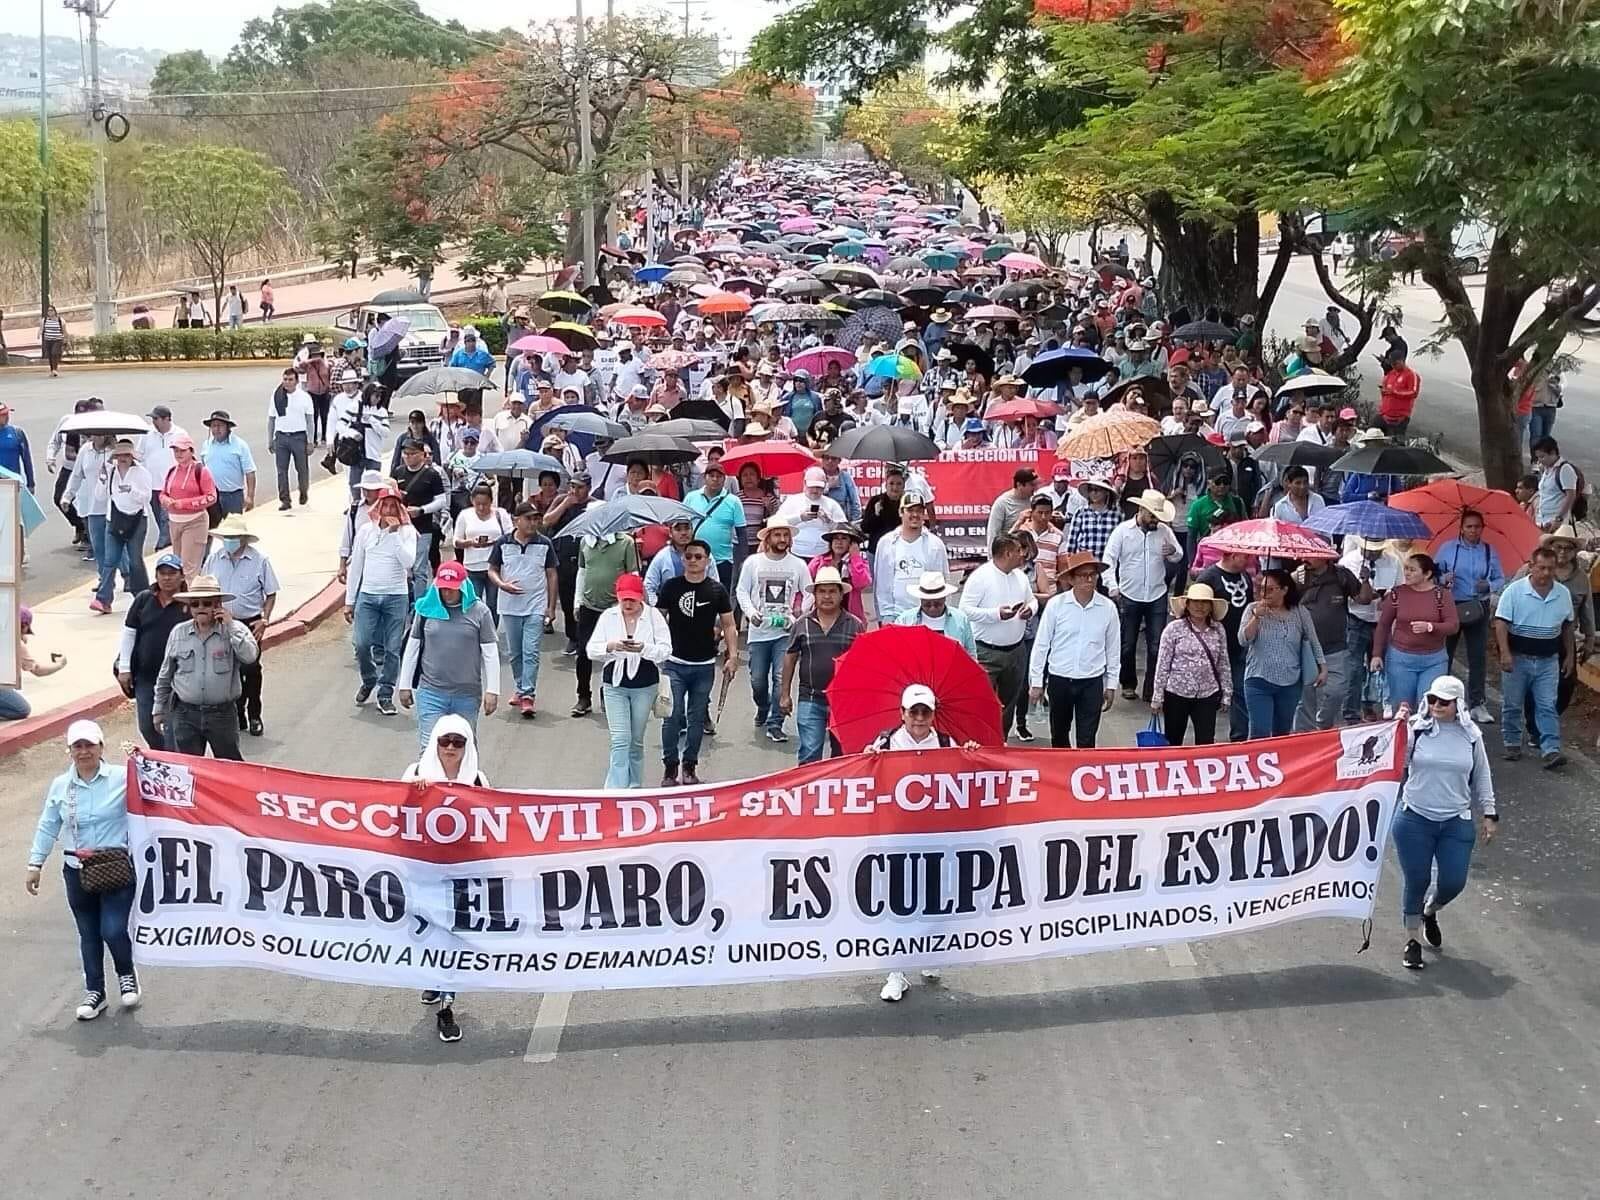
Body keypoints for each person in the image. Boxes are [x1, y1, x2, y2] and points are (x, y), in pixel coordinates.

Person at [865, 683, 982, 1003]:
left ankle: (929, 953)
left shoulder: (946, 743)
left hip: (935, 837)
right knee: (898, 905)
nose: (919, 718)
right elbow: (863, 777)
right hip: (896, 837)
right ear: (902, 713)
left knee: (934, 900)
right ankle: (896, 972)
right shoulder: (886, 742)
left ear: (933, 715)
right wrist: (869, 758)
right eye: (913, 711)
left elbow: (967, 777)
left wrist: (971, 754)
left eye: (925, 712)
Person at [26, 721, 141, 1021]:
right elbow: (48, 825)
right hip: (77, 871)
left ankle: (126, 974)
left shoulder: (123, 777)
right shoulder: (61, 786)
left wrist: (146, 760)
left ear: (101, 747)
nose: (84, 751)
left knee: (112, 929)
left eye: (89, 745)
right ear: (70, 751)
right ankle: (95, 992)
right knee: (88, 933)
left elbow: (155, 793)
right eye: (77, 746)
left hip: (115, 869)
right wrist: (35, 863)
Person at [1391, 675, 1497, 971]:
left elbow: (1482, 774)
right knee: (1417, 880)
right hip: (1414, 818)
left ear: (1458, 704)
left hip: (1455, 820)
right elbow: (1398, 764)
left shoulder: (1471, 735)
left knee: (1453, 881)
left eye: (1444, 701)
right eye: (1432, 699)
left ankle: (1430, 910)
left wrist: (1490, 813)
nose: (1436, 705)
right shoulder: (1416, 728)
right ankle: (1412, 940)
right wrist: (1399, 730)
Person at [402, 715, 488, 1043]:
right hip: (424, 871)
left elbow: (492, 822)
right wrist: (414, 795)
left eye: (458, 742)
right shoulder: (415, 774)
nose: (450, 748)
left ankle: (446, 1005)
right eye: (444, 741)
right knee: (430, 933)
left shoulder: (478, 779)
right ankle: (433, 979)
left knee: (453, 936)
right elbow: (394, 817)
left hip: (462, 873)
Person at [656, 539, 737, 785]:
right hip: (674, 663)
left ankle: (689, 765)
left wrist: (733, 656)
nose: (693, 560)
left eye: (698, 557)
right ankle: (670, 766)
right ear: (683, 559)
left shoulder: (717, 590)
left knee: (697, 718)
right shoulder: (670, 587)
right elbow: (658, 620)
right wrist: (655, 648)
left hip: (704, 665)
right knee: (671, 716)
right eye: (688, 556)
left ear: (707, 560)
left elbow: (729, 624)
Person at [153, 574, 260, 760]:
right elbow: (165, 674)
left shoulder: (234, 629)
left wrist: (231, 625)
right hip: (185, 713)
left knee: (229, 766)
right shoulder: (178, 633)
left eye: (207, 603)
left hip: (221, 714)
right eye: (195, 604)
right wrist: (158, 709)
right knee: (190, 768)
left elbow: (250, 656)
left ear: (218, 605)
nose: (200, 608)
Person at [397, 561, 501, 747]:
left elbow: (490, 652)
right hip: (431, 692)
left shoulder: (480, 612)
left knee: (463, 746)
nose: (447, 593)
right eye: (443, 588)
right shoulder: (426, 609)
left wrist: (492, 690)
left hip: (466, 695)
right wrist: (404, 685)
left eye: (452, 588)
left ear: (463, 586)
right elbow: (413, 647)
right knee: (429, 747)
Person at [1494, 544, 1575, 768]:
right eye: (1542, 568)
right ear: (1532, 566)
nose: (1546, 573)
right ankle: (1512, 743)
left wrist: (1570, 656)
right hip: (1518, 657)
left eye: (1551, 568)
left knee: (1547, 704)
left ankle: (1551, 749)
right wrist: (1505, 653)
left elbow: (1568, 626)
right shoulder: (1515, 591)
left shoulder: (1562, 594)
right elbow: (1501, 623)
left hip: (1548, 659)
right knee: (1512, 703)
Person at [588, 572, 672, 787]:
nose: (628, 604)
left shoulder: (653, 616)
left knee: (635, 741)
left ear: (641, 597)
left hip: (645, 684)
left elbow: (665, 650)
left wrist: (644, 648)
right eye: (624, 599)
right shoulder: (608, 616)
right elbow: (591, 650)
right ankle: (615, 789)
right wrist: (611, 646)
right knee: (620, 739)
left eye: (632, 599)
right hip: (615, 684)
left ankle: (634, 786)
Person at [1028, 552, 1119, 748]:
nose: (1089, 580)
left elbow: (1113, 649)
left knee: (1087, 739)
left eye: (1092, 575)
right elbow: (1042, 645)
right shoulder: (1056, 605)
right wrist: (1036, 682)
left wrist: (1111, 684)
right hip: (1060, 678)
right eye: (1083, 575)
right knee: (1059, 735)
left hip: (1092, 681)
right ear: (1071, 579)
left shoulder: (1108, 608)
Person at [737, 517, 813, 743]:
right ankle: (763, 706)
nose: (782, 539)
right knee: (758, 680)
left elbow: (809, 592)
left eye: (785, 535)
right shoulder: (753, 562)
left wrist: (798, 615)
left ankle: (775, 723)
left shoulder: (798, 565)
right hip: (759, 633)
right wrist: (751, 613)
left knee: (781, 678)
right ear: (768, 538)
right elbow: (742, 590)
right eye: (778, 535)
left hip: (785, 634)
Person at [1103, 489, 1183, 702]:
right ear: (1141, 510)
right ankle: (1128, 683)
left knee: (1157, 646)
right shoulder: (1122, 531)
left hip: (1157, 593)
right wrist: (1113, 586)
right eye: (1152, 516)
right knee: (1127, 644)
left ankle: (1152, 688)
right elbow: (1109, 560)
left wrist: (1172, 552)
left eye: (1158, 516)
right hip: (1129, 593)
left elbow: (1179, 555)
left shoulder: (1164, 531)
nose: (1155, 520)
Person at [204, 515, 280, 738]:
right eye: (227, 537)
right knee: (228, 669)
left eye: (235, 537)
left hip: (249, 623)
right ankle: (238, 713)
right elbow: (205, 588)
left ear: (244, 538)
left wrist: (264, 620)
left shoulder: (259, 561)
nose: (230, 541)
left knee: (251, 668)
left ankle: (254, 713)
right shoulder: (214, 560)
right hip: (220, 622)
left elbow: (271, 593)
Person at [344, 486, 417, 717]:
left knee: (392, 648)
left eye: (394, 506)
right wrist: (349, 600)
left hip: (396, 596)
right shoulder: (366, 531)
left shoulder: (407, 532)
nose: (389, 510)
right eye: (385, 505)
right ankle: (369, 679)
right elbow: (356, 566)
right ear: (379, 507)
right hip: (368, 595)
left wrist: (394, 534)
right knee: (362, 643)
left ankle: (385, 693)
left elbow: (408, 562)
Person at [780, 566, 864, 765]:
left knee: (842, 756)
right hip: (810, 697)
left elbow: (863, 664)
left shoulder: (855, 625)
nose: (827, 596)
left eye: (832, 591)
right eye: (822, 591)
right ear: (815, 595)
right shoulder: (802, 624)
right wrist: (784, 694)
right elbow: (790, 657)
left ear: (841, 594)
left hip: (844, 701)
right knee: (809, 754)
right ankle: (809, 786)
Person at [487, 502, 558, 718]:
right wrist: (502, 584)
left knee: (531, 651)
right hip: (509, 606)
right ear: (516, 520)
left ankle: (528, 694)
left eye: (536, 518)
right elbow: (492, 570)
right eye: (528, 518)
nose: (533, 523)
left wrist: (551, 607)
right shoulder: (503, 543)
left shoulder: (544, 543)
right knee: (515, 652)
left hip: (535, 605)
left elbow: (552, 574)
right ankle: (520, 687)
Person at [960, 534, 1035, 738]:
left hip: (1016, 651)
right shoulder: (980, 577)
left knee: (1009, 703)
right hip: (986, 653)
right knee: (981, 702)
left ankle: (1001, 741)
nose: (1023, 554)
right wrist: (995, 614)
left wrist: (1031, 609)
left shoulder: (1020, 576)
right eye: (1018, 550)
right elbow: (964, 610)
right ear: (1007, 553)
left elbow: (1032, 600)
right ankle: (980, 742)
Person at [1438, 510, 1505, 724]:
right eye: (1469, 526)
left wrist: (1489, 585)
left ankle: (1477, 703)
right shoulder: (1448, 549)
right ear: (1461, 528)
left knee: (1477, 656)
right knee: (1444, 655)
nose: (1473, 530)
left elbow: (1500, 578)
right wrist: (1444, 579)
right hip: (1452, 606)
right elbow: (1434, 574)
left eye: (1477, 526)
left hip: (1478, 606)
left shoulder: (1488, 551)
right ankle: (1442, 700)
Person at [1240, 568, 1324, 738]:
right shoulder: (1252, 609)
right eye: (1262, 589)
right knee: (1259, 731)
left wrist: (1323, 667)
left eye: (1270, 589)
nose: (1265, 594)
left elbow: (1313, 640)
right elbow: (1243, 639)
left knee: (1282, 732)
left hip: (1290, 681)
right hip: (1259, 678)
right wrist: (1256, 617)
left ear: (1284, 590)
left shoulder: (1299, 612)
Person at [1372, 552, 1458, 714]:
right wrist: (1377, 654)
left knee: (1428, 708)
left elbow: (1453, 626)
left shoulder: (1442, 595)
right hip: (1400, 659)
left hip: (1434, 660)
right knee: (1402, 709)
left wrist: (1431, 627)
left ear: (1427, 574)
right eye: (1406, 569)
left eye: (1412, 570)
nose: (1407, 573)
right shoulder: (1397, 593)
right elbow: (1383, 625)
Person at [117, 554, 188, 747]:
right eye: (162, 573)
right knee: (147, 727)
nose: (167, 578)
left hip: (177, 679)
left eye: (172, 573)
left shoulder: (189, 604)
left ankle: (172, 759)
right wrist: (124, 668)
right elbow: (129, 632)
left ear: (182, 576)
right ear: (156, 576)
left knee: (172, 730)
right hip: (145, 677)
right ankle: (161, 755)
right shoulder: (144, 599)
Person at [1293, 553, 1369, 730]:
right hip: (1306, 648)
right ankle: (1303, 736)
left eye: (1311, 555)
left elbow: (1363, 599)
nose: (1304, 558)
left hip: (1335, 647)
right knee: (1305, 698)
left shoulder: (1342, 575)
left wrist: (1365, 580)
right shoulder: (1297, 577)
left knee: (1337, 692)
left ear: (1324, 556)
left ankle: (1323, 726)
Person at [572, 526, 641, 718]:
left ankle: (608, 693)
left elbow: (633, 575)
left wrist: (631, 604)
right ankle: (583, 696)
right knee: (584, 652)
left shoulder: (626, 542)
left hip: (615, 607)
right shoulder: (585, 541)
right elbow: (582, 572)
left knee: (614, 653)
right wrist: (577, 601)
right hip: (589, 606)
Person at [1151, 582, 1231, 745]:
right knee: (1173, 741)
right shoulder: (1173, 629)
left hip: (1207, 693)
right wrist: (1157, 696)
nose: (1200, 606)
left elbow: (1223, 662)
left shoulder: (1218, 629)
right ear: (1187, 604)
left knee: (1206, 741)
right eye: (1195, 601)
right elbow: (1163, 664)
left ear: (1211, 606)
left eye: (1204, 602)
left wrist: (1227, 693)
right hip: (1176, 693)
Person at [1340, 537, 1403, 722]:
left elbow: (1400, 589)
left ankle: (1371, 705)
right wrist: (1363, 585)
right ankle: (1351, 712)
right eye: (1371, 549)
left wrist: (1389, 598)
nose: (1374, 553)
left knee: (1380, 666)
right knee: (1354, 669)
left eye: (1378, 549)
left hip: (1382, 621)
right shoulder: (1348, 562)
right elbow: (1342, 592)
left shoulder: (1393, 562)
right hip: (1356, 619)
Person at [91, 439, 153, 615]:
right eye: (120, 455)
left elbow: (146, 498)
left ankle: (143, 597)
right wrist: (102, 479)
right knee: (110, 560)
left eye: (126, 455)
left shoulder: (142, 473)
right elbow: (100, 497)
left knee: (135, 561)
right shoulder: (111, 472)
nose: (123, 459)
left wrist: (131, 490)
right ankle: (103, 599)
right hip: (114, 519)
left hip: (137, 520)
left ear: (132, 456)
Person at [873, 490, 949, 625]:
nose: (915, 515)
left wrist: (940, 615)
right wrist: (885, 616)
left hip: (928, 616)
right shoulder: (886, 543)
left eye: (919, 511)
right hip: (896, 616)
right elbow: (881, 584)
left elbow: (942, 581)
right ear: (901, 512)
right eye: (910, 510)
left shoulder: (935, 544)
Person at [392, 437, 450, 602]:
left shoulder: (432, 475)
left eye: (412, 453)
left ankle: (419, 604)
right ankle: (404, 600)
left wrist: (422, 510)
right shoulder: (398, 472)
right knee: (403, 566)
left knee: (419, 568)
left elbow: (441, 500)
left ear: (422, 455)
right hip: (402, 526)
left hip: (423, 527)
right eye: (405, 453)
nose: (408, 457)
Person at [684, 460, 746, 591]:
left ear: (724, 479)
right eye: (711, 476)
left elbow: (742, 533)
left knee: (721, 596)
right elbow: (682, 524)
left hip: (723, 560)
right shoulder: (691, 497)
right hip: (695, 559)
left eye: (719, 476)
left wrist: (743, 561)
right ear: (704, 478)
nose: (715, 479)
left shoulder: (734, 501)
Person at [453, 484, 512, 618]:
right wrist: (470, 542)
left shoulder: (500, 514)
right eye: (477, 504)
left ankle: (491, 629)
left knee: (493, 604)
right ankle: (475, 628)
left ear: (491, 501)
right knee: (474, 604)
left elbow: (510, 537)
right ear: (472, 500)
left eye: (485, 504)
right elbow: (456, 541)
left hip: (495, 566)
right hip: (473, 566)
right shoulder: (465, 515)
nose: (481, 508)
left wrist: (495, 542)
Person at [0, 606, 67, 721]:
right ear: (24, 625)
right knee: (22, 709)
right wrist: (60, 664)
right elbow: (38, 671)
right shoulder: (14, 642)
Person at [138, 405, 187, 550]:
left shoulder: (180, 434)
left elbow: (187, 458)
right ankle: (172, 547)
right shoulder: (147, 433)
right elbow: (140, 455)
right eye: (153, 418)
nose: (153, 422)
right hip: (153, 486)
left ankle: (163, 547)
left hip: (173, 487)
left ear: (167, 419)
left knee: (168, 520)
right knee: (160, 520)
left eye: (156, 418)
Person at [268, 365, 315, 509]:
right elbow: (271, 419)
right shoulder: (277, 397)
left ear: (296, 381)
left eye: (290, 380)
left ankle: (303, 491)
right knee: (281, 471)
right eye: (285, 379)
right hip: (281, 437)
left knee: (302, 469)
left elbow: (310, 421)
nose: (287, 382)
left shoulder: (304, 397)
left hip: (298, 437)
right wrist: (270, 439)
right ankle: (285, 500)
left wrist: (310, 441)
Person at [775, 466, 847, 559]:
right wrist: (800, 518)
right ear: (805, 483)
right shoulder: (792, 501)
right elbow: (777, 523)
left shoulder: (831, 504)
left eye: (819, 487)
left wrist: (828, 520)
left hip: (824, 555)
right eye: (812, 486)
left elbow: (844, 529)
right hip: (796, 553)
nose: (815, 490)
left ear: (825, 485)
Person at [200, 410, 257, 517]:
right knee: (213, 526)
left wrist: (250, 497)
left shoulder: (240, 445)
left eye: (220, 425)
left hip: (233, 496)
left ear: (228, 427)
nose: (216, 429)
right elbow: (202, 470)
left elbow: (250, 472)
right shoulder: (206, 445)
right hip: (212, 495)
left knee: (233, 526)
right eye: (213, 426)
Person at [1530, 437, 1582, 532]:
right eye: (1538, 457)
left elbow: (1570, 495)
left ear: (1553, 453)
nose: (1540, 460)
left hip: (1556, 522)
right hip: (1542, 520)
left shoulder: (1565, 469)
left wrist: (1559, 518)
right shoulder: (1546, 469)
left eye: (1542, 457)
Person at [1067, 476, 1120, 562]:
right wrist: (1070, 559)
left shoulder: (1117, 513)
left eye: (1097, 490)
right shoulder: (1081, 512)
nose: (1094, 493)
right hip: (1085, 561)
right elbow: (1072, 540)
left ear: (1106, 492)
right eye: (1091, 490)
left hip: (1109, 561)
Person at [985, 468, 1039, 547]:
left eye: (1036, 484)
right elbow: (993, 534)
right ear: (1019, 485)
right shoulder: (1002, 503)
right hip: (1008, 549)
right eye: (1032, 485)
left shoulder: (1034, 500)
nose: (1036, 488)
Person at [1378, 350, 1420, 441]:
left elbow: (1414, 392)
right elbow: (1385, 390)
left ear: (1402, 360)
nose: (1393, 366)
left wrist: (1395, 392)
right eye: (1392, 364)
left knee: (1395, 443)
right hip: (1384, 415)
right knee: (1373, 437)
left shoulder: (1411, 375)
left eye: (1395, 363)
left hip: (1399, 418)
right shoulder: (1390, 374)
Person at [40, 304, 66, 375]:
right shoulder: (44, 320)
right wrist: (39, 333)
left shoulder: (60, 320)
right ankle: (52, 370)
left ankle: (55, 369)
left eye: (51, 310)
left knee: (54, 353)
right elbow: (41, 329)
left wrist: (66, 338)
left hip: (57, 339)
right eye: (48, 311)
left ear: (55, 311)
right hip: (48, 340)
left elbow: (64, 330)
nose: (50, 312)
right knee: (50, 355)